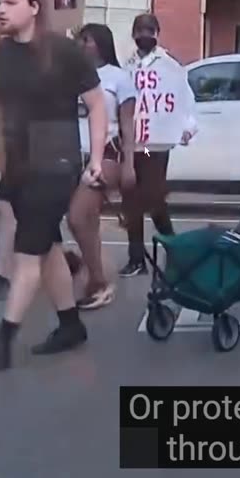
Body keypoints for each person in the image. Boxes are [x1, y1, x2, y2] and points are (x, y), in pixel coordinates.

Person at [0, 0, 106, 370]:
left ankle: (2, 341)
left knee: (26, 255)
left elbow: (96, 104)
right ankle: (71, 324)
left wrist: (95, 159)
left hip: (56, 164)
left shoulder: (64, 52)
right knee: (48, 248)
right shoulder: (1, 56)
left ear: (34, 7)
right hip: (19, 164)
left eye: (9, 3)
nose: (0, 11)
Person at [117, 13, 197, 277]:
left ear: (157, 33)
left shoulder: (169, 66)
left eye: (149, 30)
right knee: (131, 201)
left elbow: (185, 99)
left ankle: (175, 247)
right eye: (139, 30)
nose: (144, 35)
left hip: (154, 144)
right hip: (131, 144)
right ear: (133, 34)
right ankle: (136, 258)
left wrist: (187, 127)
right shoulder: (127, 66)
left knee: (152, 197)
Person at [71, 23, 139, 309]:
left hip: (107, 155)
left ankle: (98, 281)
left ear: (99, 43)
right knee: (81, 220)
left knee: (77, 216)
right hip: (71, 155)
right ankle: (85, 267)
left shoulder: (119, 79)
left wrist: (130, 166)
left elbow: (127, 126)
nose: (81, 44)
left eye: (85, 39)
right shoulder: (72, 77)